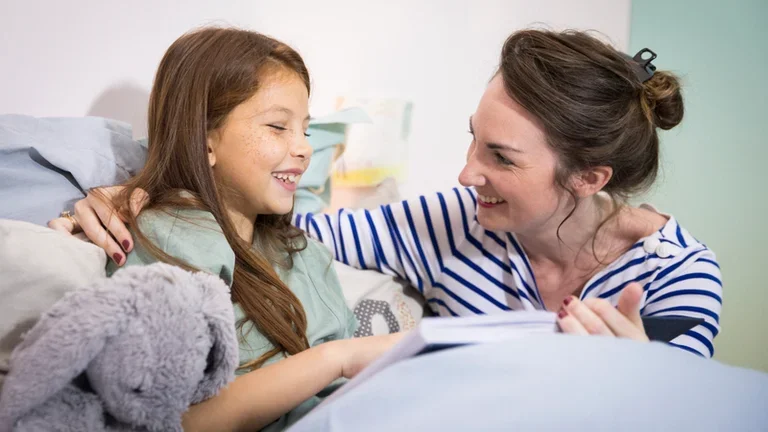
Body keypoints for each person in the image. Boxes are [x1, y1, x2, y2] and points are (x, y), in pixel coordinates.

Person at [53, 29, 722, 358]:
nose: (465, 175)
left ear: (589, 177)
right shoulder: (455, 222)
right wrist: (148, 191)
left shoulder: (680, 279)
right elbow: (285, 220)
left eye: (500, 157)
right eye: (472, 140)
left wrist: (640, 382)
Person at [48, 27, 403, 432]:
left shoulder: (306, 254)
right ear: (205, 141)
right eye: (277, 126)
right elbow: (175, 420)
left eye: (305, 128)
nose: (304, 147)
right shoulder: (167, 241)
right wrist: (336, 358)